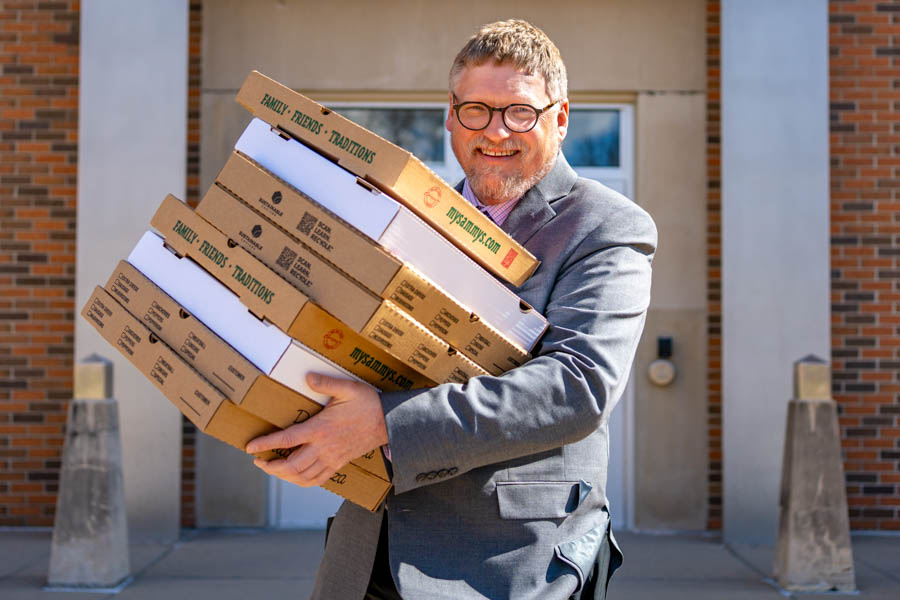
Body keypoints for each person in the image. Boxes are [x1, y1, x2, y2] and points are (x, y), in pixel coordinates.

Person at [246, 19, 657, 600]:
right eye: (477, 111)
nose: (495, 132)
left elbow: (578, 387)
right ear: (450, 114)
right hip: (369, 550)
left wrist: (383, 423)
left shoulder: (605, 226)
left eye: (519, 112)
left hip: (506, 560)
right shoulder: (408, 216)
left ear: (560, 119)